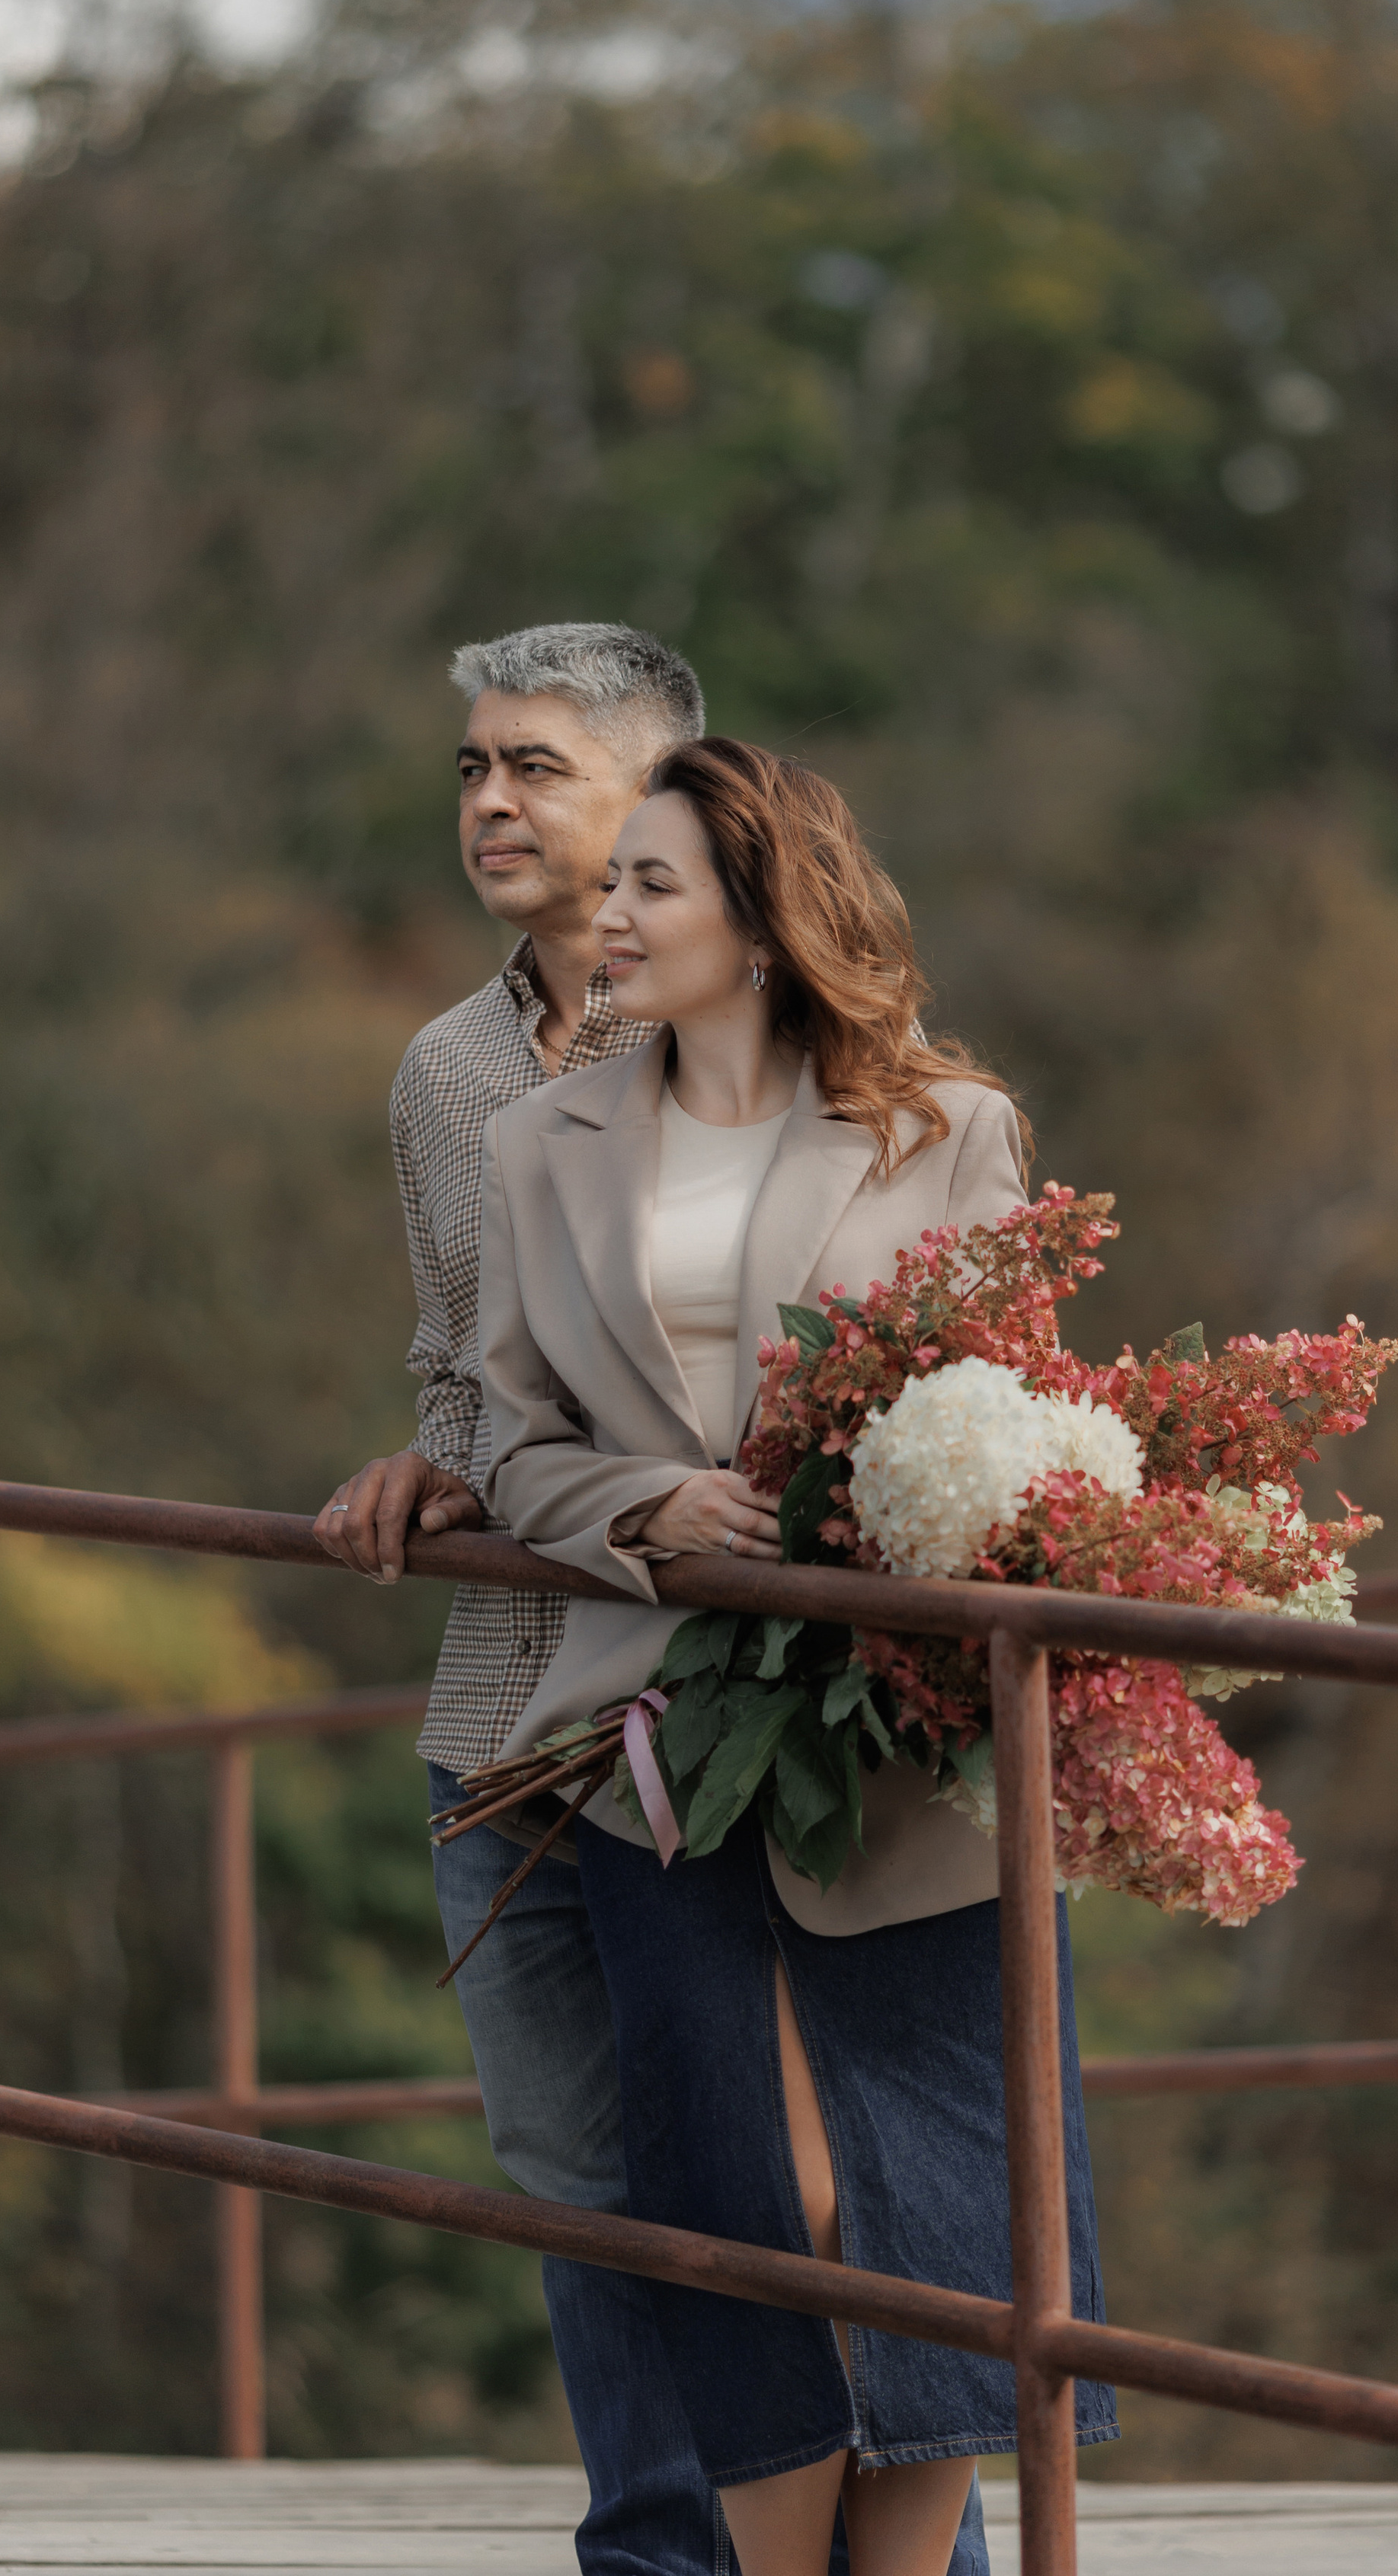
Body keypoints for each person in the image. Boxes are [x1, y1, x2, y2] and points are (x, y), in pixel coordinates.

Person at [315, 628, 992, 2576]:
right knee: (590, 2199)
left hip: (764, 1723)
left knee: (838, 2190)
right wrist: (421, 1463)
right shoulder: (448, 1079)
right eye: (468, 771)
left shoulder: (782, 1050)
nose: (492, 807)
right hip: (515, 1710)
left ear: (669, 796)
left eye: (534, 767)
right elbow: (471, 1378)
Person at [477, 740, 1117, 2576]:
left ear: (759, 920)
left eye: (649, 886)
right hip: (651, 1738)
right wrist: (640, 1512)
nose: (606, 916)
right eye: (610, 889)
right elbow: (512, 1442)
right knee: (755, 2193)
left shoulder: (946, 1127)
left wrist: (908, 1528)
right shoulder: (543, 1142)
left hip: (905, 1746)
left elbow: (1015, 1404)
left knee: (925, 2207)